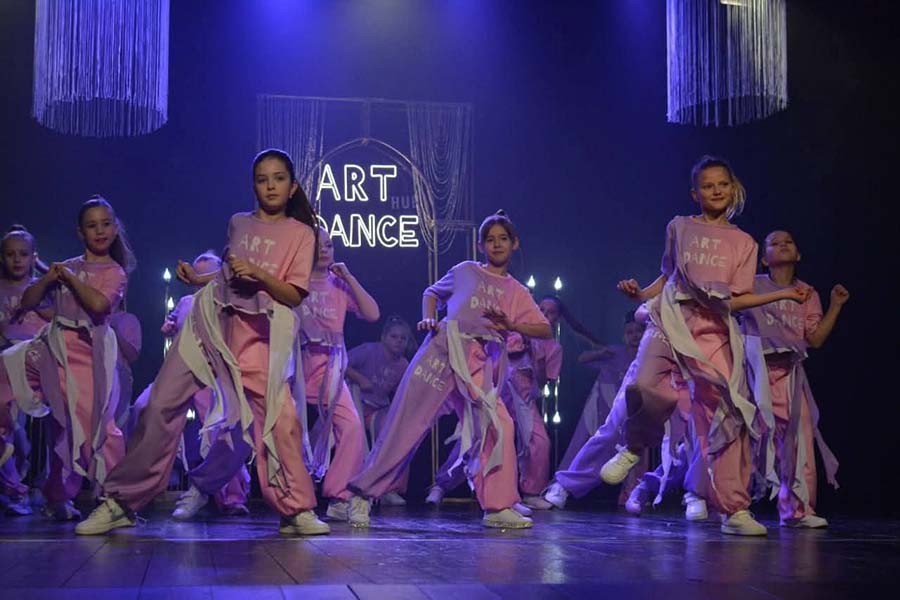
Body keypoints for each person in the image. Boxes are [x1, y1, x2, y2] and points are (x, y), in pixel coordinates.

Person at [75, 149, 328, 536]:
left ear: (292, 186)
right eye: (262, 179)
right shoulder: (239, 223)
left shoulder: (302, 233)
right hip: (210, 322)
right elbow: (228, 274)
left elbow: (293, 295)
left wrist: (259, 275)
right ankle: (121, 501)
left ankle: (296, 509)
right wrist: (197, 280)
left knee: (282, 418)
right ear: (253, 186)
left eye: (278, 178)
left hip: (258, 334)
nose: (270, 186)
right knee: (158, 404)